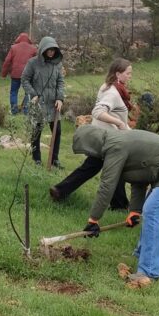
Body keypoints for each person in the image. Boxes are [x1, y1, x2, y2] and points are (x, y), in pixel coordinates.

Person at [73, 124, 159, 284]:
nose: (87, 155)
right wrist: (135, 210)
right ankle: (141, 255)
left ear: (92, 143)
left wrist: (94, 219)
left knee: (153, 213)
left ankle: (149, 271)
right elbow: (139, 178)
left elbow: (107, 185)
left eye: (87, 151)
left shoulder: (115, 147)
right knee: (150, 212)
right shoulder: (117, 140)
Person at [50, 58, 134, 207]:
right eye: (128, 73)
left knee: (93, 166)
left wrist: (126, 128)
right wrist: (120, 123)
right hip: (109, 138)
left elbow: (112, 112)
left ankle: (60, 190)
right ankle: (119, 205)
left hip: (103, 136)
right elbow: (98, 112)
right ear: (117, 74)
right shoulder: (113, 92)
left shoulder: (107, 86)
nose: (130, 76)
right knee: (114, 167)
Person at [20, 35, 65, 167]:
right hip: (39, 103)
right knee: (37, 132)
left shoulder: (57, 64)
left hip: (53, 103)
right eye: (49, 50)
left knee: (57, 132)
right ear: (43, 49)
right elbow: (25, 79)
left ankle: (54, 159)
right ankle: (37, 159)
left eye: (53, 50)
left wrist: (60, 98)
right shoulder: (32, 63)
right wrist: (33, 94)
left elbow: (60, 81)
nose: (51, 52)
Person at [0, 31, 38, 114]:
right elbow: (37, 62)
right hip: (28, 74)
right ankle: (26, 111)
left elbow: (7, 61)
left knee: (14, 92)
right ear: (28, 39)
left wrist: (3, 74)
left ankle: (14, 110)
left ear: (19, 39)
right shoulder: (33, 48)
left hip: (15, 74)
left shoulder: (13, 48)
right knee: (28, 93)